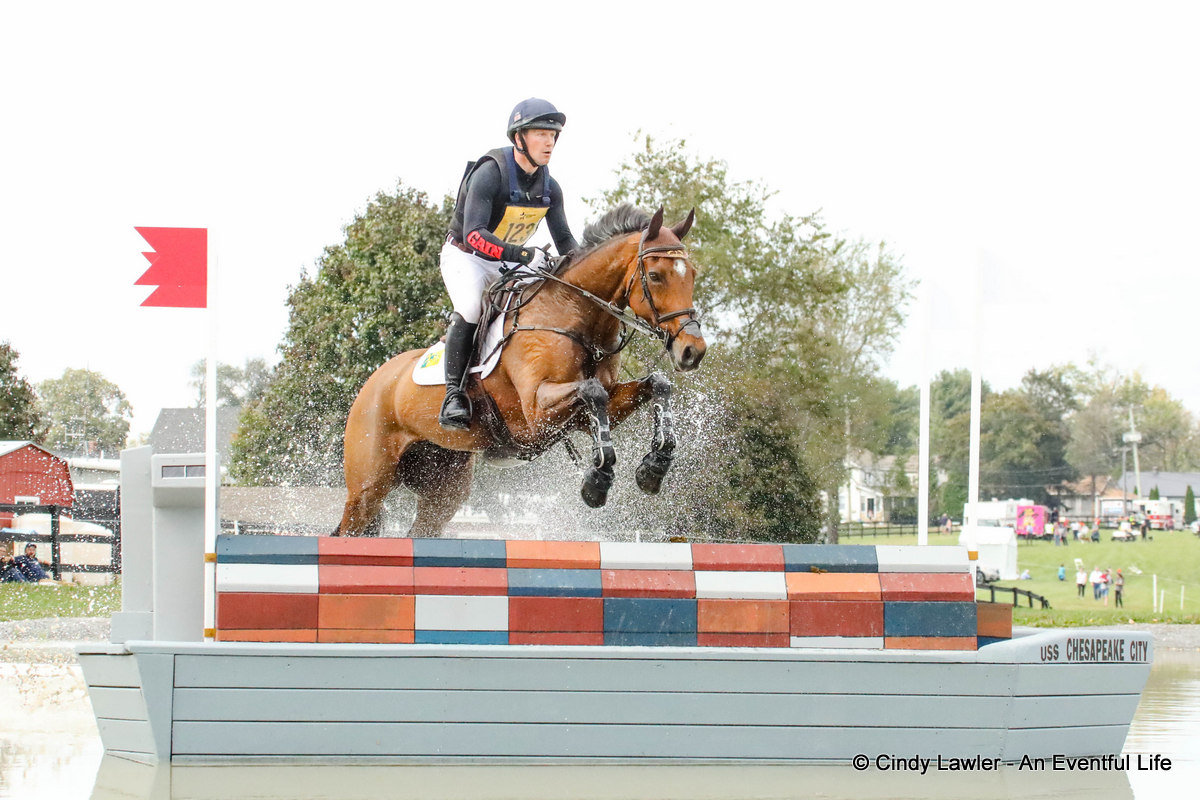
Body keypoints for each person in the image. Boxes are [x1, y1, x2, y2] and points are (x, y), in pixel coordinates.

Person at [438, 98, 580, 430]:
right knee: (473, 306)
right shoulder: (491, 174)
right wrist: (523, 255)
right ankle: (453, 396)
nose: (549, 142)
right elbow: (474, 235)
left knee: (550, 293)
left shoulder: (550, 187)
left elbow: (566, 243)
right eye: (542, 134)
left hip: (507, 262)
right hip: (466, 257)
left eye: (554, 135)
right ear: (519, 138)